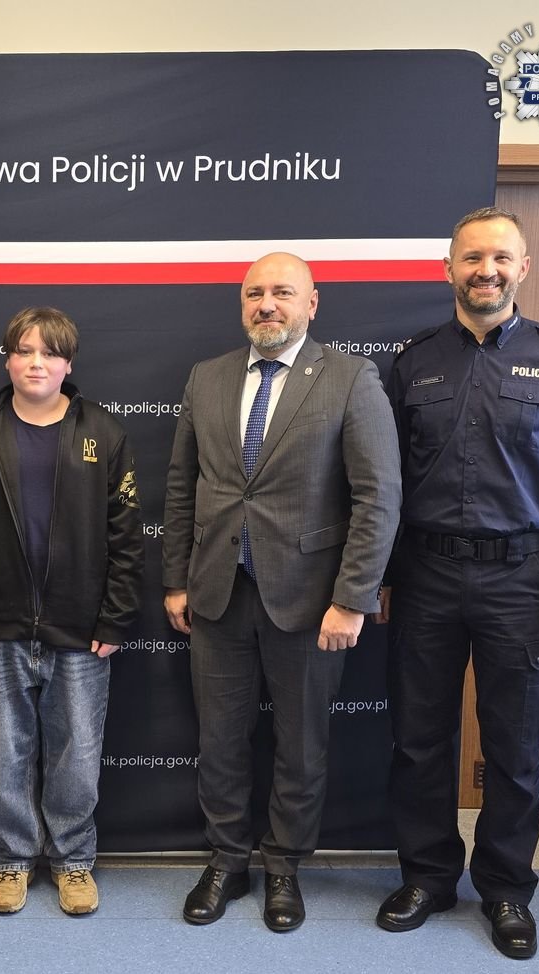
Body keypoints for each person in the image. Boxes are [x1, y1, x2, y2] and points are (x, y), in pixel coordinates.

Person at [376, 207, 539, 960]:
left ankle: (507, 889)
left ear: (523, 268)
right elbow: (385, 483)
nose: (487, 270)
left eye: (501, 258)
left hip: (522, 578)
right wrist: (382, 577)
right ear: (449, 269)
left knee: (515, 745)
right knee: (420, 739)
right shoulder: (412, 362)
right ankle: (428, 877)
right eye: (473, 257)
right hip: (425, 575)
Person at [163, 253, 400, 932]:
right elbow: (182, 485)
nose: (267, 304)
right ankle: (227, 860)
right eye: (254, 293)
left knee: (300, 743)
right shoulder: (207, 377)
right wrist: (175, 579)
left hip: (311, 600)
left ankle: (284, 866)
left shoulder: (351, 378)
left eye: (282, 292)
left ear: (312, 303)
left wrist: (352, 598)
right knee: (220, 740)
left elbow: (378, 496)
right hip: (217, 593)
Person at [0, 306, 143, 916]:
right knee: (6, 753)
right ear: (7, 360)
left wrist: (115, 617)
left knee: (77, 752)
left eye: (49, 353)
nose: (36, 363)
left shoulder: (102, 431)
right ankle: (11, 860)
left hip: (80, 629)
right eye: (24, 351)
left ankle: (74, 861)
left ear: (67, 364)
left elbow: (126, 536)